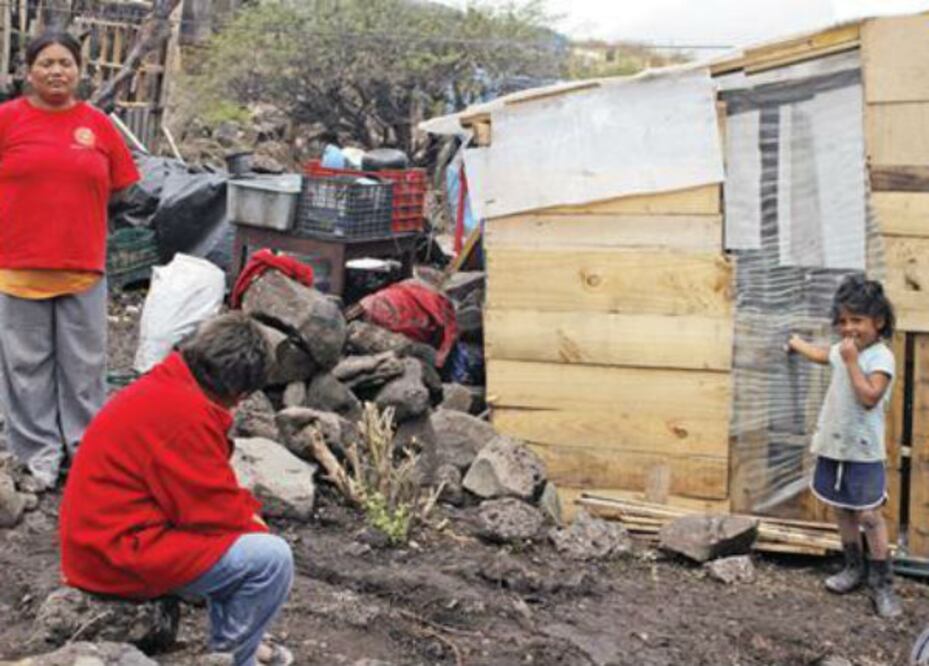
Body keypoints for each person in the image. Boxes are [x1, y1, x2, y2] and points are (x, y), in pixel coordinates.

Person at [59, 313, 294, 666]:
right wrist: (253, 520)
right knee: (270, 560)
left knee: (236, 544)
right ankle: (234, 656)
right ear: (238, 392)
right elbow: (211, 513)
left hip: (104, 539)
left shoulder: (169, 382)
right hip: (114, 555)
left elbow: (199, 497)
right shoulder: (185, 415)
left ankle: (240, 645)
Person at [0, 31, 140, 489]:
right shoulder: (7, 120)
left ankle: (85, 456)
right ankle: (38, 457)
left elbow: (123, 187)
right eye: (46, 63)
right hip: (17, 266)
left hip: (82, 266)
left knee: (84, 369)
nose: (56, 71)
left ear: (80, 71)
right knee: (25, 370)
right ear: (28, 70)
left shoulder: (97, 125)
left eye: (65, 63)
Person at [787, 276, 902, 618]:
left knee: (868, 513)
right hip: (834, 444)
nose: (849, 328)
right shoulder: (843, 350)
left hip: (864, 450)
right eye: (843, 321)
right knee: (840, 507)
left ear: (878, 322)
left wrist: (852, 362)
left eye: (857, 321)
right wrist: (796, 344)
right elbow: (825, 355)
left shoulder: (880, 357)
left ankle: (882, 583)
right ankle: (853, 568)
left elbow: (869, 397)